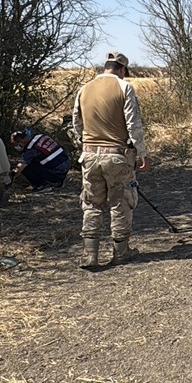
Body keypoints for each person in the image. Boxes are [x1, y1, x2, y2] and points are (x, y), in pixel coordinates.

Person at [71, 51, 149, 269]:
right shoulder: (124, 87)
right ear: (122, 69)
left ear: (106, 66)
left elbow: (76, 123)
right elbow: (133, 124)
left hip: (89, 155)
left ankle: (90, 255)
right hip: (116, 155)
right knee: (120, 203)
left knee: (91, 203)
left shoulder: (84, 89)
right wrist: (141, 153)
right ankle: (121, 252)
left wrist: (85, 144)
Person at [10, 128, 70, 192]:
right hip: (65, 164)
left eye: (16, 145)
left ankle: (43, 185)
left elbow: (20, 166)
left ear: (21, 141)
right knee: (35, 161)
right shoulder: (41, 136)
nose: (17, 147)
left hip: (57, 171)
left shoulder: (31, 149)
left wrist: (11, 177)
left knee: (26, 168)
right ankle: (59, 180)